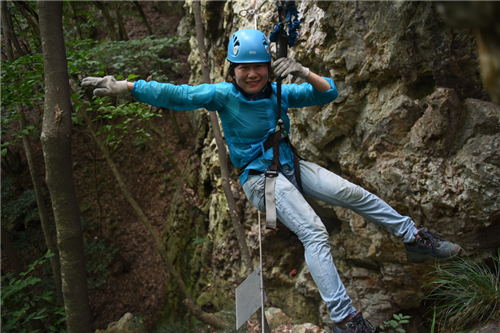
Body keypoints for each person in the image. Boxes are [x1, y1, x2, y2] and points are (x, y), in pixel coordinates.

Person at [82, 29, 461, 333]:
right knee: (314, 232)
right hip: (258, 179)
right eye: (243, 68)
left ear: (268, 67)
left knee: (351, 192)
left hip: (289, 165)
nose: (251, 74)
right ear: (232, 70)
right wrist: (127, 88)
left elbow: (329, 92)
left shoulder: (280, 92)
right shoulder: (223, 96)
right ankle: (347, 320)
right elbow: (179, 95)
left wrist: (302, 70)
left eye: (258, 66)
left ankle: (414, 238)